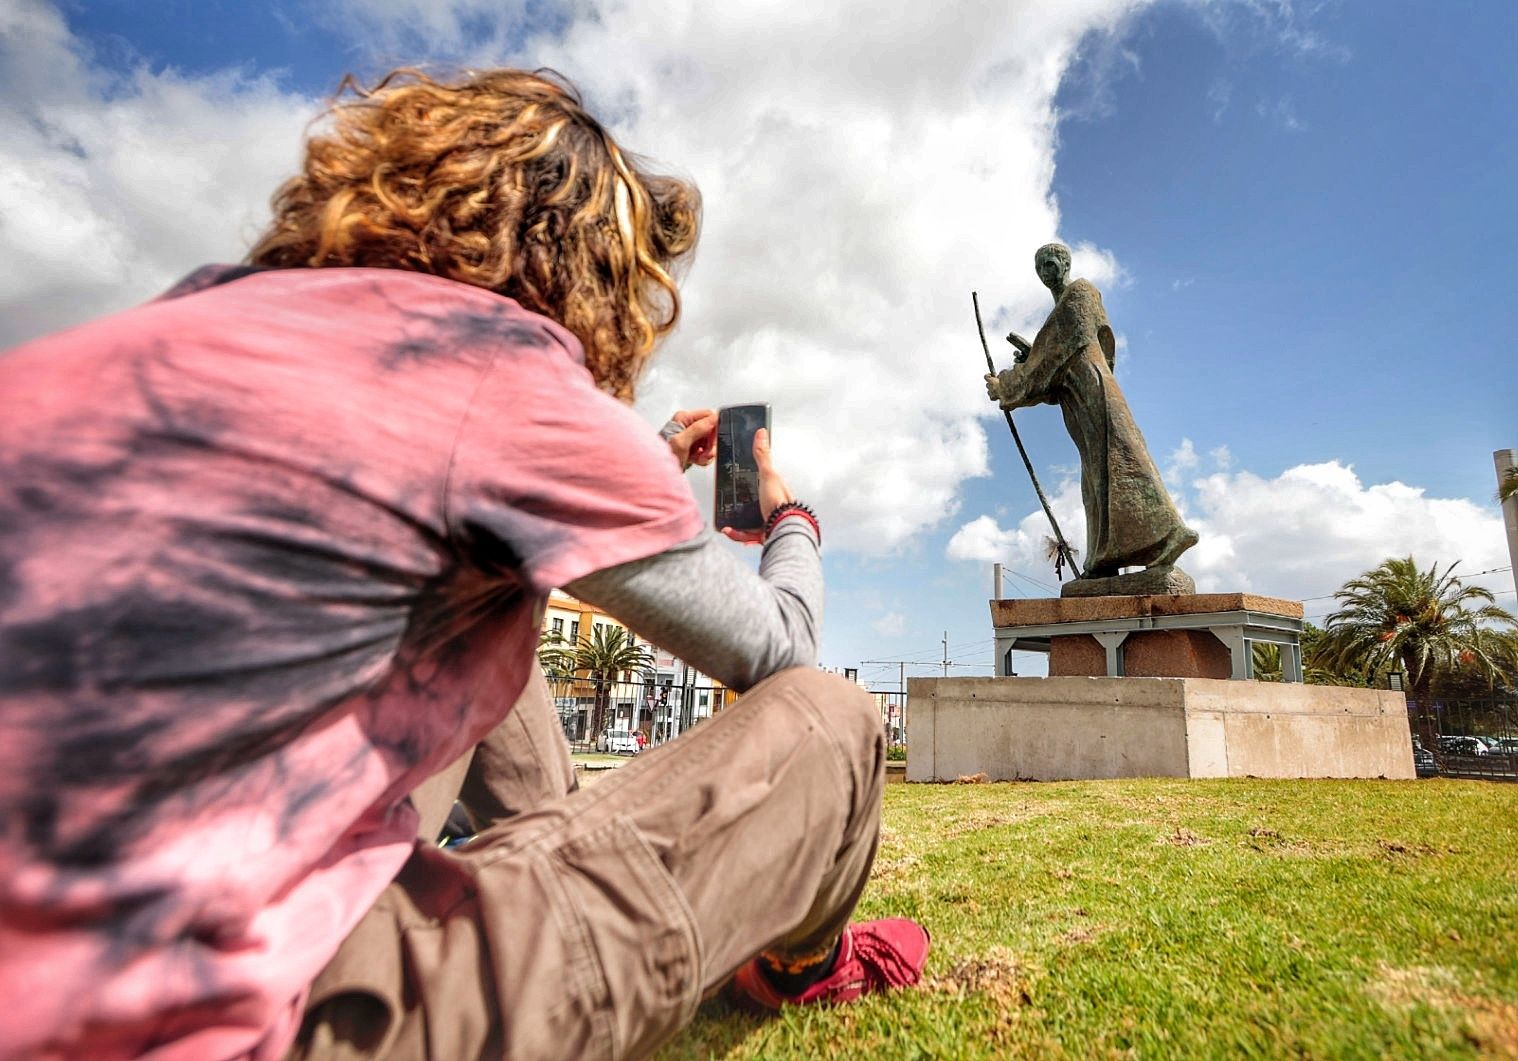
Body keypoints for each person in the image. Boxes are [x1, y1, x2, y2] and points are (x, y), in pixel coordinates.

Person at [0, 68, 928, 1060]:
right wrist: (789, 514)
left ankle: (550, 867)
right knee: (834, 716)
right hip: (224, 1022)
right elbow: (782, 645)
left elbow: (457, 504)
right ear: (591, 273)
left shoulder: (174, 327)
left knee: (489, 603)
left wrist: (643, 457)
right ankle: (800, 967)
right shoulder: (505, 377)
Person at [985, 242, 1197, 580]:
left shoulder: (1079, 294)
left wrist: (1007, 384)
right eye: (1039, 267)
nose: (1044, 272)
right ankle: (1104, 556)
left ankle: (1168, 533)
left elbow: (1054, 358)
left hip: (1095, 390)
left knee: (1122, 457)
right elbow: (1052, 365)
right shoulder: (1061, 315)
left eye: (1050, 264)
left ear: (1065, 264)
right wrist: (1037, 362)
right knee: (1095, 477)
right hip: (1078, 398)